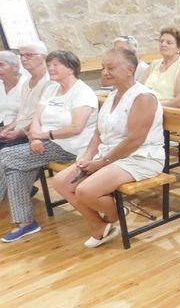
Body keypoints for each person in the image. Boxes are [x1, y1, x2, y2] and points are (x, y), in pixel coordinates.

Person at [52, 47, 164, 247]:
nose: (105, 72)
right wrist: (87, 156)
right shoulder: (112, 95)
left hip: (141, 157)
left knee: (85, 191)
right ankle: (98, 224)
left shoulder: (143, 97)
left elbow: (134, 140)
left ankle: (116, 215)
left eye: (111, 67)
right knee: (61, 182)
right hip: (111, 155)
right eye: (103, 67)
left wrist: (101, 163)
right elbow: (98, 132)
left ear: (130, 70)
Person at [0, 51, 97, 242]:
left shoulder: (82, 92)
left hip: (70, 146)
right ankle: (26, 223)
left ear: (70, 69)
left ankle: (25, 221)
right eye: (49, 64)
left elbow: (76, 128)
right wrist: (34, 138)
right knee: (15, 167)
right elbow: (37, 117)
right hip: (46, 141)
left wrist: (43, 135)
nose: (50, 68)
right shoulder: (52, 88)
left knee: (6, 157)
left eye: (56, 65)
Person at [0, 41, 52, 150]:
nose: (23, 59)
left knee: (3, 155)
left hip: (37, 135)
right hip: (20, 131)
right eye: (21, 55)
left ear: (44, 57)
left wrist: (19, 132)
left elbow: (44, 116)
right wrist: (7, 130)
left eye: (29, 55)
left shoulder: (50, 82)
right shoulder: (26, 83)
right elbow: (22, 114)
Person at [139, 27, 180, 112]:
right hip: (149, 111)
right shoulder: (154, 64)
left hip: (176, 116)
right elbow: (139, 88)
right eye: (161, 41)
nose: (163, 44)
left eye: (169, 43)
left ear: (179, 48)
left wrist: (154, 107)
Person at [0, 51, 27, 130]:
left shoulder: (27, 86)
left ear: (15, 67)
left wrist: (5, 129)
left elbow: (28, 116)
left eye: (1, 65)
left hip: (17, 130)